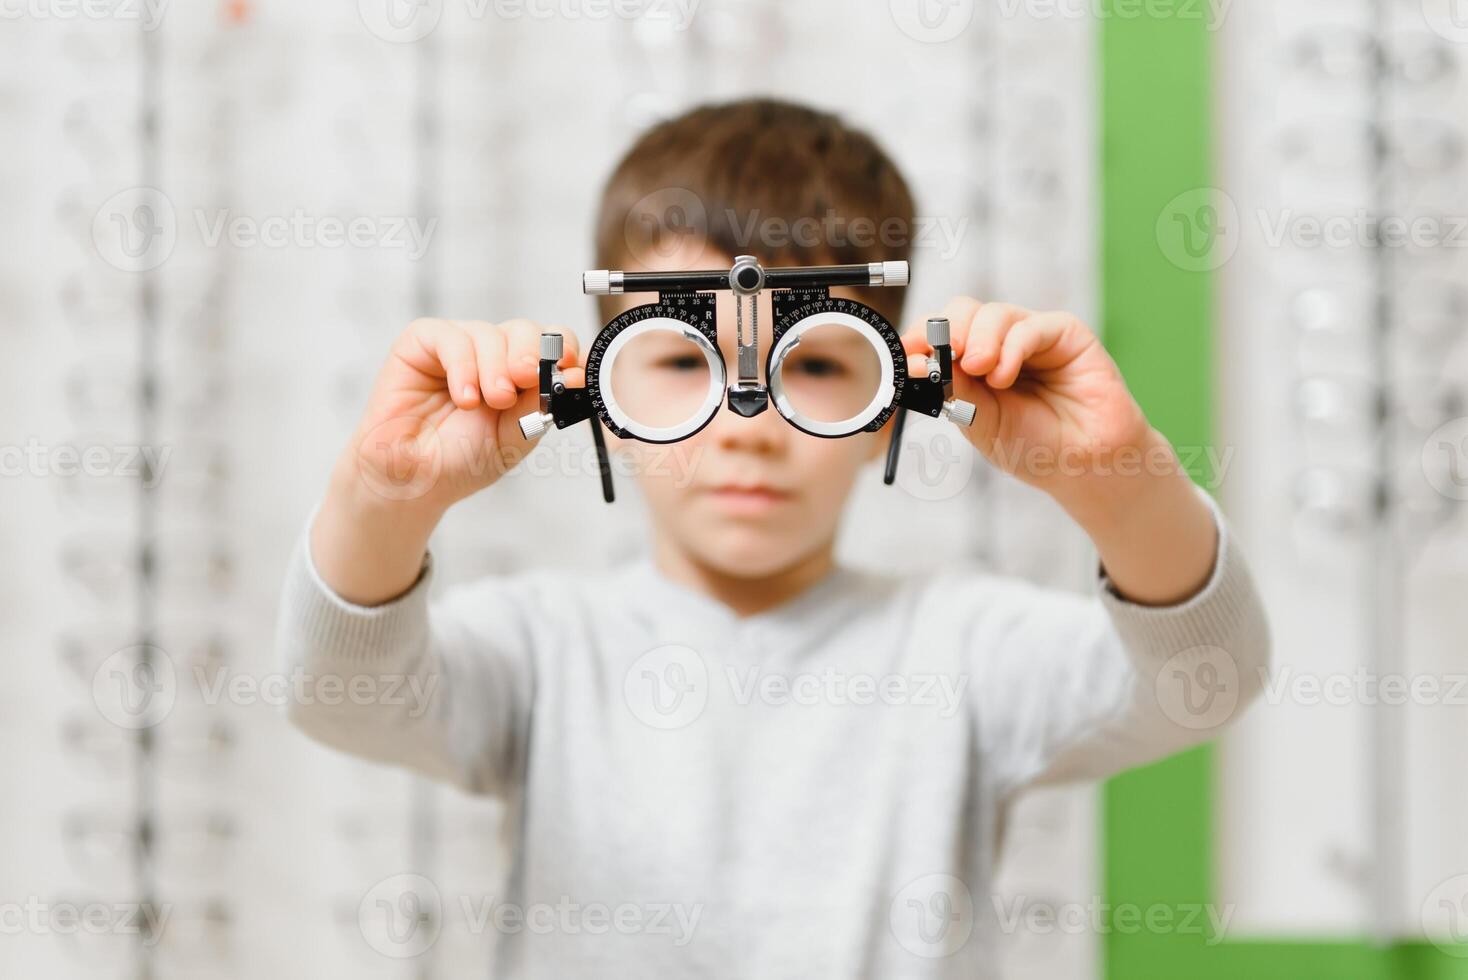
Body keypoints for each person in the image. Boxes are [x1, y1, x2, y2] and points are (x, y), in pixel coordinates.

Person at [277, 97, 1271, 978]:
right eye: (679, 355)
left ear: (890, 397)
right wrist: (383, 497)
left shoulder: (963, 649)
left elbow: (1208, 677)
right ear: (601, 388)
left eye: (815, 365)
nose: (747, 422)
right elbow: (339, 697)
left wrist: (1120, 483)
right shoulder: (543, 646)